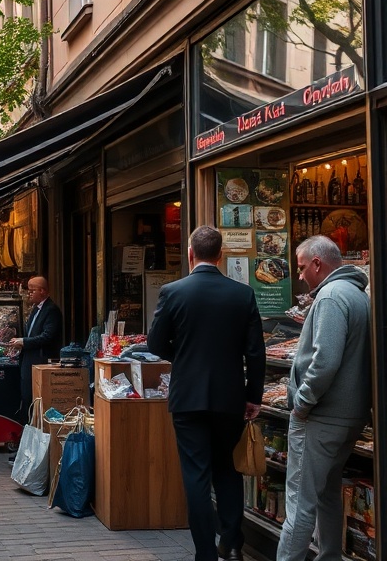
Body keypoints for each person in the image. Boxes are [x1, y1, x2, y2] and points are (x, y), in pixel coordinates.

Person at [147, 226, 265, 561]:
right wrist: (253, 396)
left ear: (190, 254)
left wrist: (182, 357)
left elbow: (156, 344)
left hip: (187, 397)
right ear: (221, 255)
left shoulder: (173, 291)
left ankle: (205, 553)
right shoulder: (242, 295)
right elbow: (256, 353)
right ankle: (232, 541)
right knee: (227, 469)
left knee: (196, 474)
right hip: (229, 397)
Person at [276, 235, 371, 561]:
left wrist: (302, 402)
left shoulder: (331, 296)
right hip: (349, 415)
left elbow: (325, 361)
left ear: (318, 263)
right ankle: (329, 555)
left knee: (299, 504)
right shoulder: (359, 295)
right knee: (328, 493)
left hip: (321, 416)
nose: (300, 275)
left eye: (302, 267)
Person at [7, 275, 63, 425]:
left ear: (43, 291)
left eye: (32, 291)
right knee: (27, 397)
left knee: (34, 398)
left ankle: (34, 431)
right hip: (29, 360)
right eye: (28, 290)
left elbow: (47, 336)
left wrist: (24, 342)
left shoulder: (51, 310)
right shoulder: (35, 309)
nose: (29, 293)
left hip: (40, 360)